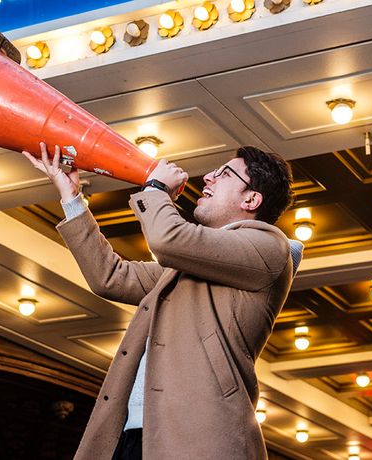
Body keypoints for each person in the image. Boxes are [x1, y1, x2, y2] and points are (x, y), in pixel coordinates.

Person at [24, 142, 302, 460]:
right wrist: (72, 197)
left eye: (224, 174)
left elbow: (167, 239)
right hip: (134, 437)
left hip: (198, 443)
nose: (208, 176)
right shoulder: (187, 270)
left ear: (252, 199)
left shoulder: (268, 247)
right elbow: (109, 276)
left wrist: (156, 188)